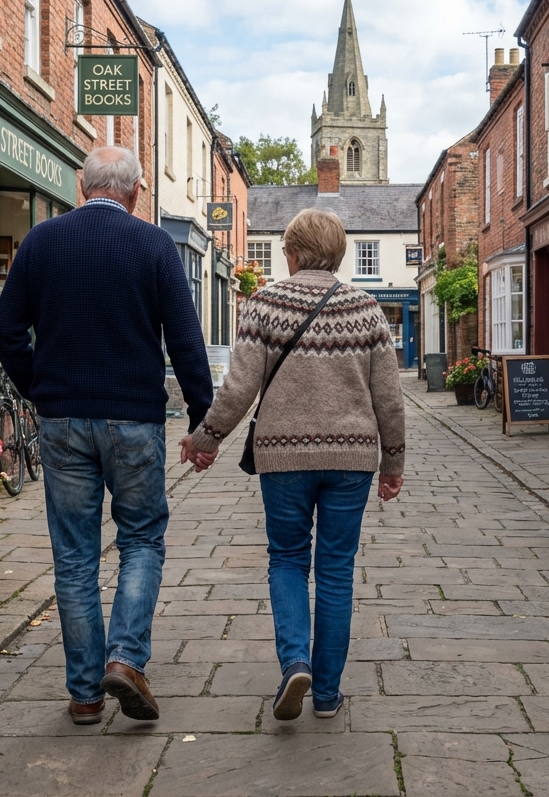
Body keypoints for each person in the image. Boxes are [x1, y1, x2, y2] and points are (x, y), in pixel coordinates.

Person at [0, 145, 212, 726]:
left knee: (74, 555)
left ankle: (86, 693)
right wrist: (201, 418)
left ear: (79, 185)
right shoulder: (155, 245)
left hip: (64, 423)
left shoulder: (40, 242)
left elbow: (6, 331)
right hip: (135, 421)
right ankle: (125, 658)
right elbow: (187, 343)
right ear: (137, 191)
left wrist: (41, 390)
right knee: (141, 540)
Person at [180, 208, 405, 721]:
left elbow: (239, 389)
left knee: (286, 559)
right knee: (336, 570)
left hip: (282, 457)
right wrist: (393, 464)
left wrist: (204, 440)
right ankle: (326, 694)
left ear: (295, 252)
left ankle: (295, 663)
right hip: (352, 460)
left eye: (285, 248)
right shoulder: (367, 309)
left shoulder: (264, 303)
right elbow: (389, 397)